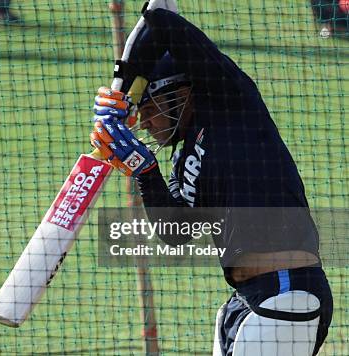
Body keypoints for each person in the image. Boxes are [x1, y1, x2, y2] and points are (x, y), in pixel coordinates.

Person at [89, 3, 333, 356]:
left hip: (287, 293)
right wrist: (144, 170)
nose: (143, 124)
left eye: (148, 110)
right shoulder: (183, 156)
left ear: (179, 92)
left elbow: (160, 18)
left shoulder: (229, 97)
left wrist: (122, 90)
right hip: (246, 302)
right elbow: (176, 234)